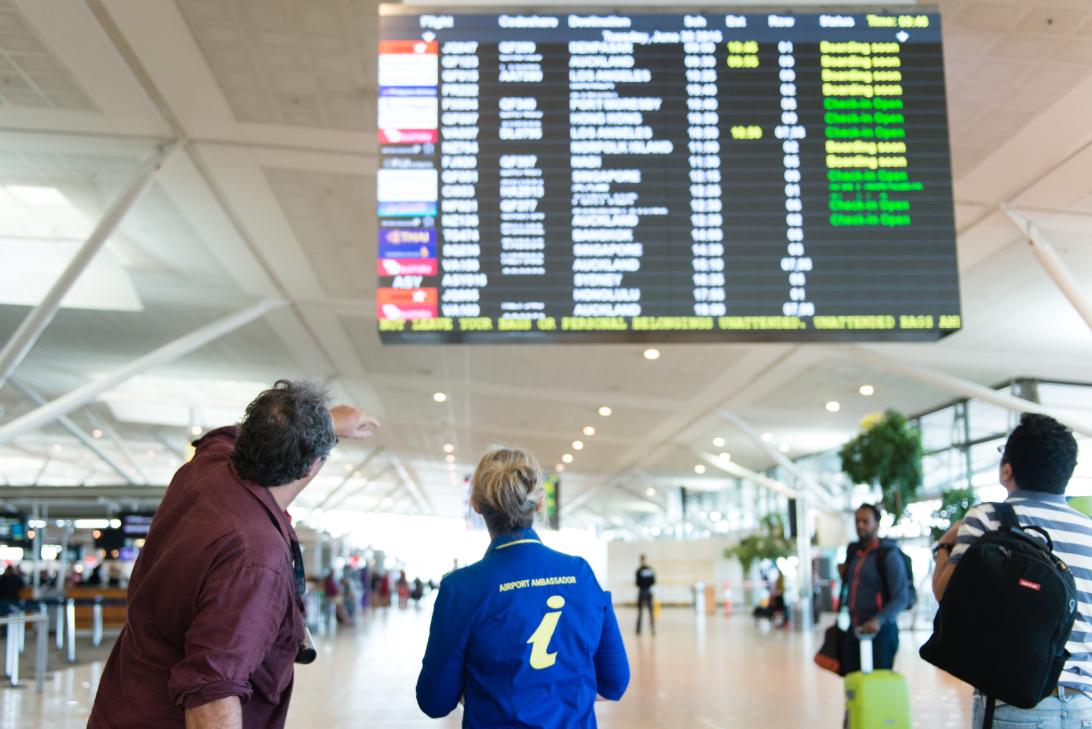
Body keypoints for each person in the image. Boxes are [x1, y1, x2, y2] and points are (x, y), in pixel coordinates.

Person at [87, 379, 379, 729]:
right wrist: (322, 426)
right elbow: (212, 691)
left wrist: (325, 422)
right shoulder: (256, 558)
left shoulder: (206, 466)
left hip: (121, 704)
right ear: (311, 467)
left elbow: (224, 435)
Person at [417, 446, 629, 727]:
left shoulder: (460, 589)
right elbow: (614, 683)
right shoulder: (580, 574)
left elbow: (434, 700)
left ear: (476, 504)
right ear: (540, 503)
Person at [933, 414, 1089, 729]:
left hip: (1015, 703)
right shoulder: (1088, 530)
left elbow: (945, 594)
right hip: (1084, 706)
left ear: (1007, 470)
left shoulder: (990, 517)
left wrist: (944, 547)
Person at [839, 503, 909, 673]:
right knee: (854, 684)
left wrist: (878, 620)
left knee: (878, 687)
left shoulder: (889, 555)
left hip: (881, 633)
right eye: (857, 521)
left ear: (876, 524)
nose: (859, 525)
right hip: (855, 629)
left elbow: (901, 597)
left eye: (865, 521)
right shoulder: (854, 554)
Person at [635, 554, 656, 636]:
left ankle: (640, 630)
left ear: (641, 560)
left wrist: (643, 585)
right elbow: (653, 581)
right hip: (648, 591)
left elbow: (637, 583)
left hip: (642, 591)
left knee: (644, 612)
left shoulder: (639, 571)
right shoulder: (650, 570)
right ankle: (649, 629)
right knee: (645, 612)